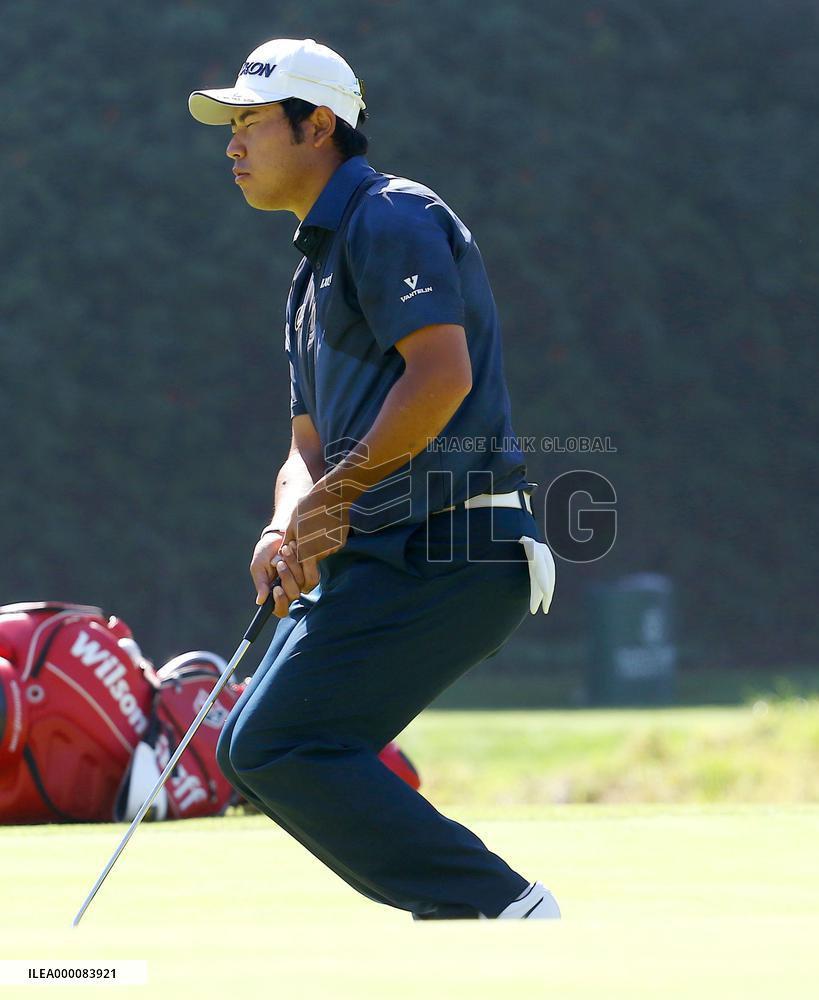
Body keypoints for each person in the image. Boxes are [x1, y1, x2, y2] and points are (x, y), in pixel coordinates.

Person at [188, 37, 558, 920]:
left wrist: (336, 502)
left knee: (278, 743)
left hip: (456, 545)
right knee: (256, 747)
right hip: (384, 552)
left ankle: (499, 911)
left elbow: (441, 376)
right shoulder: (309, 271)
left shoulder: (392, 217)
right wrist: (286, 523)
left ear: (319, 125)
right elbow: (304, 445)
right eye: (230, 126)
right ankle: (481, 913)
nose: (231, 145)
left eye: (249, 123)